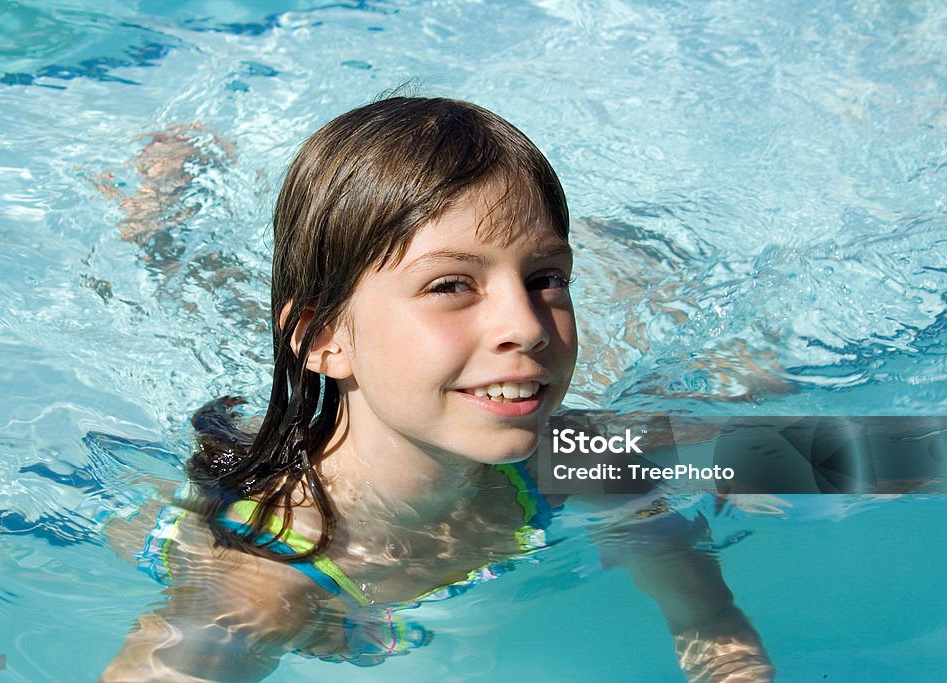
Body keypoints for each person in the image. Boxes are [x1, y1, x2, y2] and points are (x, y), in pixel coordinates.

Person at [100, 97, 774, 682]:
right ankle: (162, 229)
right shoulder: (262, 589)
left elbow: (712, 619)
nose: (527, 326)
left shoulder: (577, 456)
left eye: (546, 277)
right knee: (203, 299)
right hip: (251, 483)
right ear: (323, 338)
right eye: (451, 284)